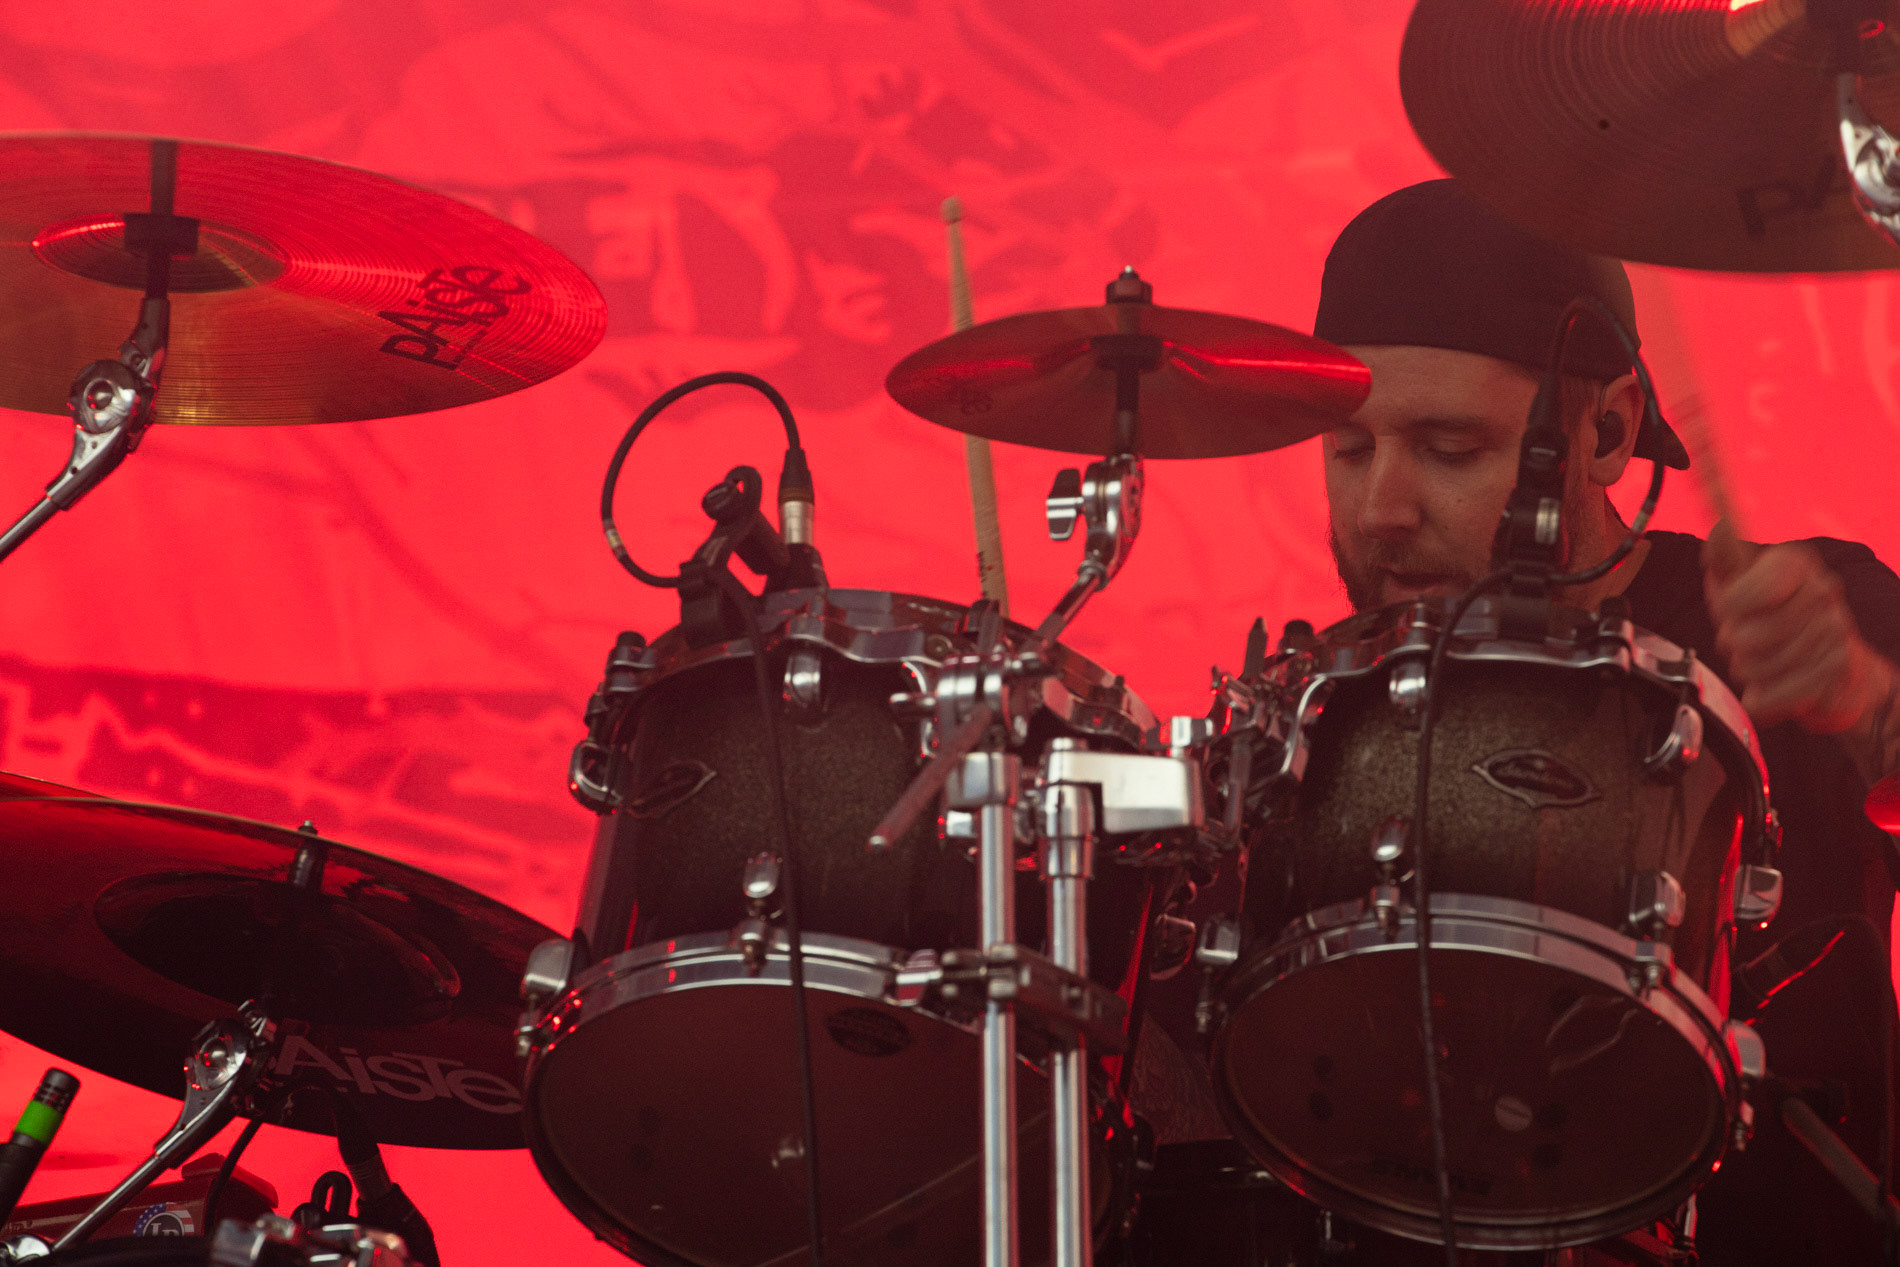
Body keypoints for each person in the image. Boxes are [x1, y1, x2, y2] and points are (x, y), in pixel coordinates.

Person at [1309, 178, 1900, 1264]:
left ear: (1610, 427)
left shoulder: (1812, 610)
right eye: (1348, 448)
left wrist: (1869, 706)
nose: (1380, 509)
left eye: (1447, 449)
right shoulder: (1318, 708)